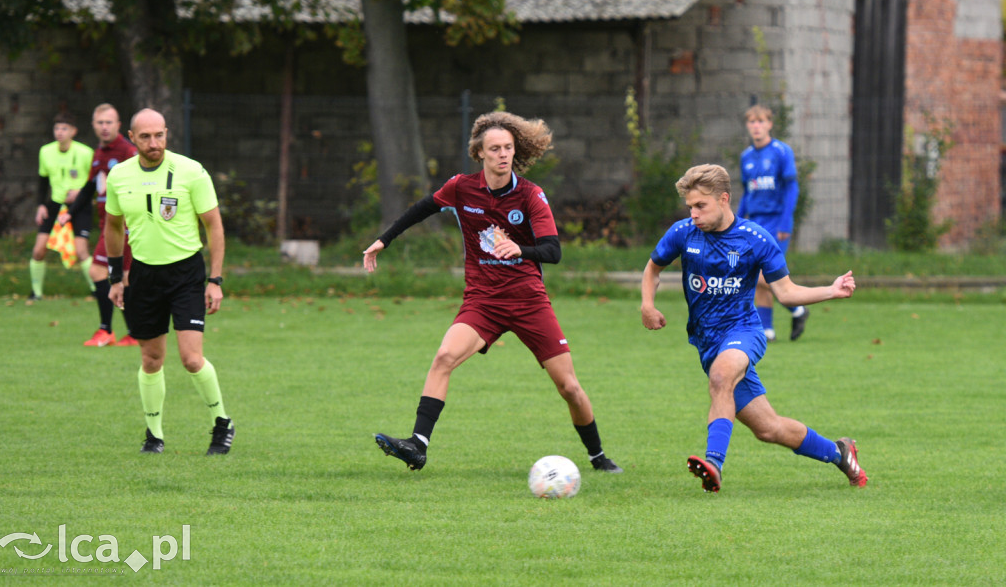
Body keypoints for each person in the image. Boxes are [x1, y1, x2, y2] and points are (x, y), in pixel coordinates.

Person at [364, 111, 622, 474]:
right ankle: (418, 445)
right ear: (480, 153)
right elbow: (422, 209)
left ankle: (598, 456)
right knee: (443, 358)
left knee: (568, 387)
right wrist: (382, 240)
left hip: (529, 302)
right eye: (495, 148)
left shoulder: (531, 195)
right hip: (483, 301)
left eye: (508, 148)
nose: (503, 154)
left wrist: (521, 249)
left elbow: (553, 251)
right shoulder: (461, 187)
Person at [640, 164, 866, 493]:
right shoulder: (682, 233)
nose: (694, 214)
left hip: (744, 331)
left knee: (720, 378)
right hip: (708, 342)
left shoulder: (755, 239)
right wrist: (647, 304)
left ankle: (713, 465)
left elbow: (786, 293)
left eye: (701, 206)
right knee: (768, 428)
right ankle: (840, 453)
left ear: (724, 199)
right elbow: (653, 268)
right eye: (690, 207)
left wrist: (831, 291)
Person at [104, 108, 234, 455]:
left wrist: (215, 279)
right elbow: (114, 227)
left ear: (167, 134)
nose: (153, 143)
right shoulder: (119, 176)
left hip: (186, 273)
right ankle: (154, 435)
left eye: (159, 135)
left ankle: (222, 423)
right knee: (151, 359)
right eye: (145, 137)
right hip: (143, 275)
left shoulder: (191, 171)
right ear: (132, 138)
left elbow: (214, 226)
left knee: (191, 358)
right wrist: (116, 276)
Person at [62, 103, 138, 346]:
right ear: (94, 126)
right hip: (109, 224)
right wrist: (69, 214)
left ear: (118, 125)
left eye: (109, 122)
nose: (105, 127)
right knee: (123, 278)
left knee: (100, 271)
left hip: (122, 226)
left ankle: (107, 330)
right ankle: (134, 332)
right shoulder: (99, 152)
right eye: (100, 123)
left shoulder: (127, 151)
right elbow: (88, 188)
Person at [737, 105, 809, 341]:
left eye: (761, 122)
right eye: (752, 122)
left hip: (776, 222)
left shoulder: (780, 151)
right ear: (748, 126)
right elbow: (748, 193)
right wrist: (736, 222)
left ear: (769, 125)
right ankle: (767, 331)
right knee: (755, 275)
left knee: (762, 275)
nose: (756, 126)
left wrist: (786, 223)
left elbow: (792, 187)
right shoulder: (746, 156)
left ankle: (797, 308)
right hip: (754, 222)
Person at [27, 111, 95, 301]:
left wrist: (80, 192)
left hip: (80, 206)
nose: (60, 132)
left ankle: (97, 290)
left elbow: (95, 182)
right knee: (39, 249)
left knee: (82, 251)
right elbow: (42, 181)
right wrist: (41, 205)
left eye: (64, 128)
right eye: (57, 128)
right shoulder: (46, 151)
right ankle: (36, 293)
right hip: (55, 204)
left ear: (73, 131)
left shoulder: (85, 153)